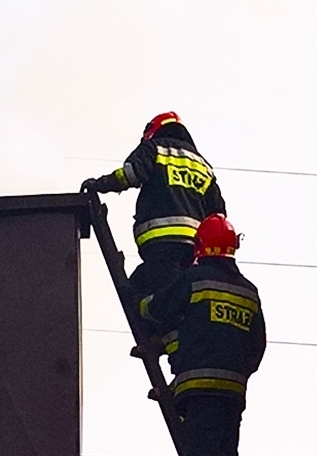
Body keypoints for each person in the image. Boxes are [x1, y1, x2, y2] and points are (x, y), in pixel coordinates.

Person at [145, 213, 265, 456]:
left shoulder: (193, 279)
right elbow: (257, 346)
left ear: (199, 247)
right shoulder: (249, 292)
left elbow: (158, 308)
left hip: (197, 390)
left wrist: (138, 302)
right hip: (233, 393)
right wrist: (238, 372)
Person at [82, 112, 227, 309]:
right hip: (194, 248)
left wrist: (101, 183)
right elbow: (218, 213)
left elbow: (131, 174)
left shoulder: (154, 148)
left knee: (152, 294)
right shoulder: (203, 165)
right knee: (178, 291)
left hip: (161, 241)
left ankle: (153, 322)